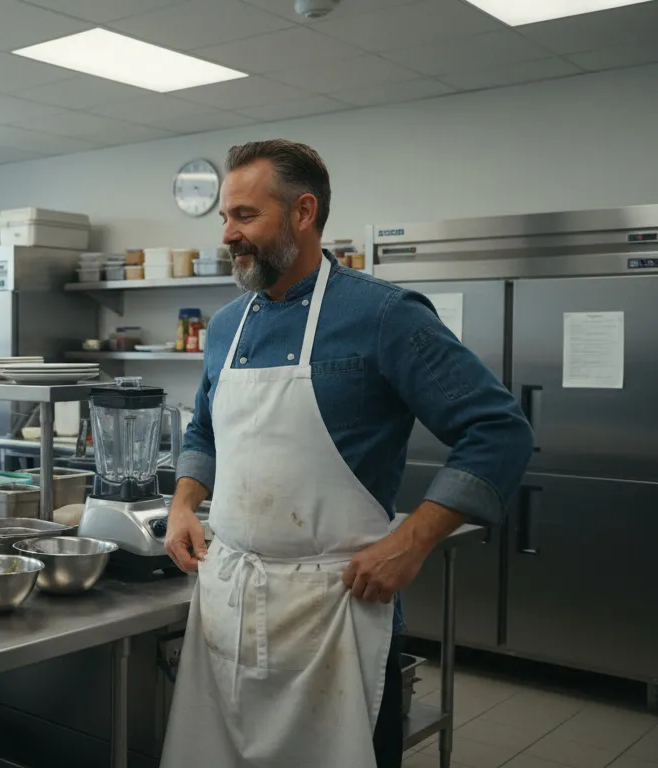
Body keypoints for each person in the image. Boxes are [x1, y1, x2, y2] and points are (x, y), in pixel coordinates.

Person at [159, 140, 534, 768]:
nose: (228, 234)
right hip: (228, 599)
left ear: (303, 213)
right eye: (225, 217)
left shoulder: (384, 315)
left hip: (335, 611)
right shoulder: (227, 326)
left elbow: (500, 432)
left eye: (245, 216)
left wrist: (411, 540)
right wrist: (183, 505)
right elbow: (204, 432)